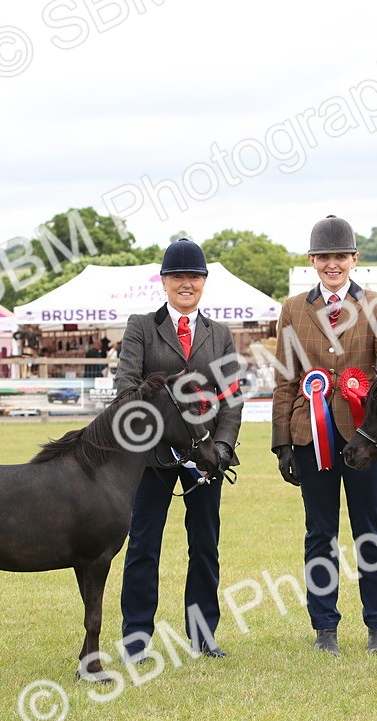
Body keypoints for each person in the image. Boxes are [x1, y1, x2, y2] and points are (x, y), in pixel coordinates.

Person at [272, 215, 377, 656]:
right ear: (312, 260)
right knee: (319, 533)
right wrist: (281, 443)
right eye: (324, 257)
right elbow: (286, 380)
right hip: (310, 436)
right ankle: (324, 627)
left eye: (340, 257)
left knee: (371, 530)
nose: (333, 264)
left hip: (365, 439)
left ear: (354, 259)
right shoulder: (293, 309)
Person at [118, 238, 241, 660]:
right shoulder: (141, 327)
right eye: (177, 277)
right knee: (143, 544)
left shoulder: (220, 334)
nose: (185, 284)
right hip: (151, 458)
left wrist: (221, 448)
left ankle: (203, 634)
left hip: (206, 458)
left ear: (203, 282)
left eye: (193, 277)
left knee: (205, 545)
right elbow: (126, 390)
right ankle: (136, 637)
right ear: (164, 282)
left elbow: (230, 398)